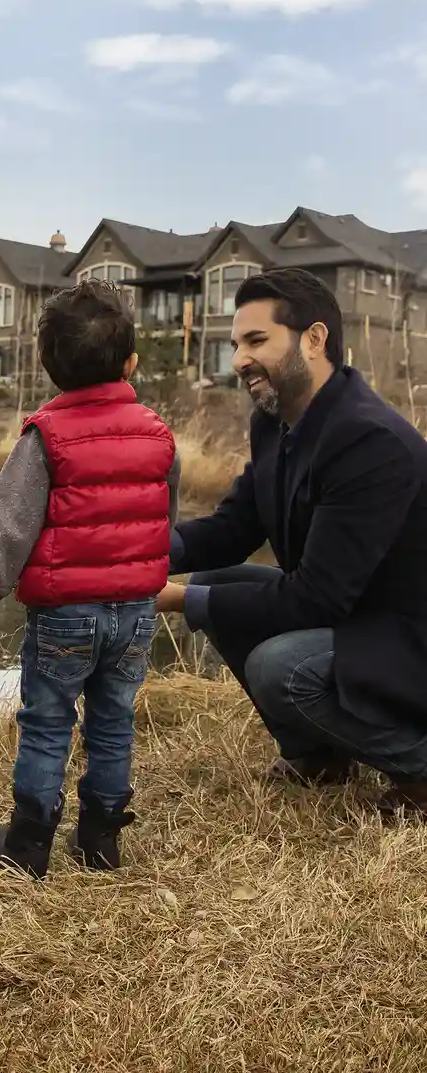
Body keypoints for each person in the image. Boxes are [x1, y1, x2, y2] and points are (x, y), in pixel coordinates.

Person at [157, 266, 427, 816]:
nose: (238, 360)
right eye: (236, 344)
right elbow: (235, 527)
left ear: (315, 338)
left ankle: (418, 765)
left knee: (279, 666)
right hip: (357, 617)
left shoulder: (369, 441)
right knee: (215, 581)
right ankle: (318, 756)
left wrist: (176, 597)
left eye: (257, 341)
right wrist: (142, 553)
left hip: (409, 639)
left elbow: (316, 600)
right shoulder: (275, 421)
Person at [0, 280, 180, 877]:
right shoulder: (159, 435)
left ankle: (27, 844)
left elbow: (14, 530)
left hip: (64, 614)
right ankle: (100, 838)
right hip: (134, 611)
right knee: (114, 718)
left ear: (48, 366)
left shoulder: (44, 436)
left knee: (48, 722)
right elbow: (161, 520)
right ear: (131, 362)